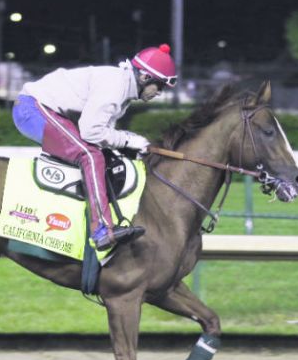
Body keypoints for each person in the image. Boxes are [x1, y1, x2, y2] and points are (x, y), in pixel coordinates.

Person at [12, 44, 178, 251]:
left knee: (99, 154)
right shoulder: (115, 85)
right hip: (33, 109)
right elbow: (91, 132)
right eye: (160, 86)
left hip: (45, 110)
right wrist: (128, 140)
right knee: (89, 156)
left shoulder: (123, 89)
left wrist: (127, 144)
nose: (160, 93)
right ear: (145, 77)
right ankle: (101, 230)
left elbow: (103, 135)